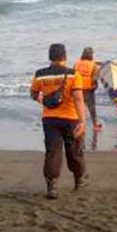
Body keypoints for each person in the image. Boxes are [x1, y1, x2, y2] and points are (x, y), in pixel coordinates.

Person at [30, 43, 89, 199]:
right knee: (75, 151)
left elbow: (34, 93)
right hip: (70, 118)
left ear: (50, 56)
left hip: (49, 119)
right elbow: (78, 99)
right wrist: (82, 122)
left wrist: (43, 100)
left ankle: (52, 186)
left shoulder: (40, 74)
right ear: (65, 56)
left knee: (52, 152)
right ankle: (79, 180)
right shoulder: (73, 74)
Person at [74, 47, 103, 131]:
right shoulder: (93, 65)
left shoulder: (77, 63)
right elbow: (94, 78)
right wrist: (95, 86)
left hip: (77, 88)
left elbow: (72, 74)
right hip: (88, 89)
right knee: (91, 108)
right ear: (91, 55)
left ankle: (77, 124)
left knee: (78, 107)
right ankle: (95, 125)